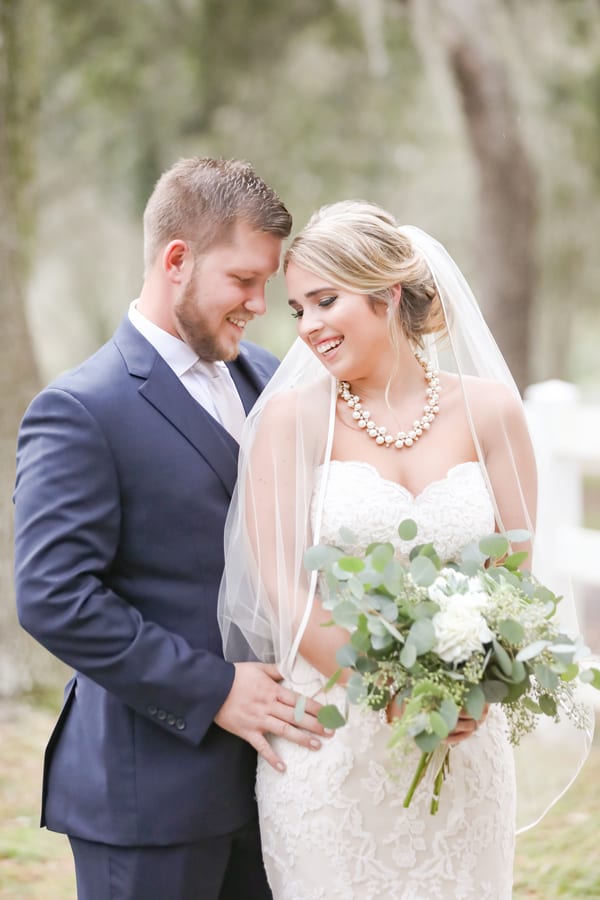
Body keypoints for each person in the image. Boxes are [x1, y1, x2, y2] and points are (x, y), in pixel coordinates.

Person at [219, 200, 592, 899]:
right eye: (298, 310)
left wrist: (473, 692)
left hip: (462, 742)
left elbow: (515, 584)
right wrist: (392, 691)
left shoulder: (491, 412)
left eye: (326, 301)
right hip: (330, 748)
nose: (309, 327)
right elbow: (281, 583)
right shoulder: (292, 421)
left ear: (387, 292)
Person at [13, 157, 329, 900]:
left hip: (276, 788)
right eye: (244, 281)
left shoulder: (266, 376)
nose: (260, 302)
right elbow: (54, 597)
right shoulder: (81, 410)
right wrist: (213, 689)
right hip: (148, 796)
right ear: (177, 261)